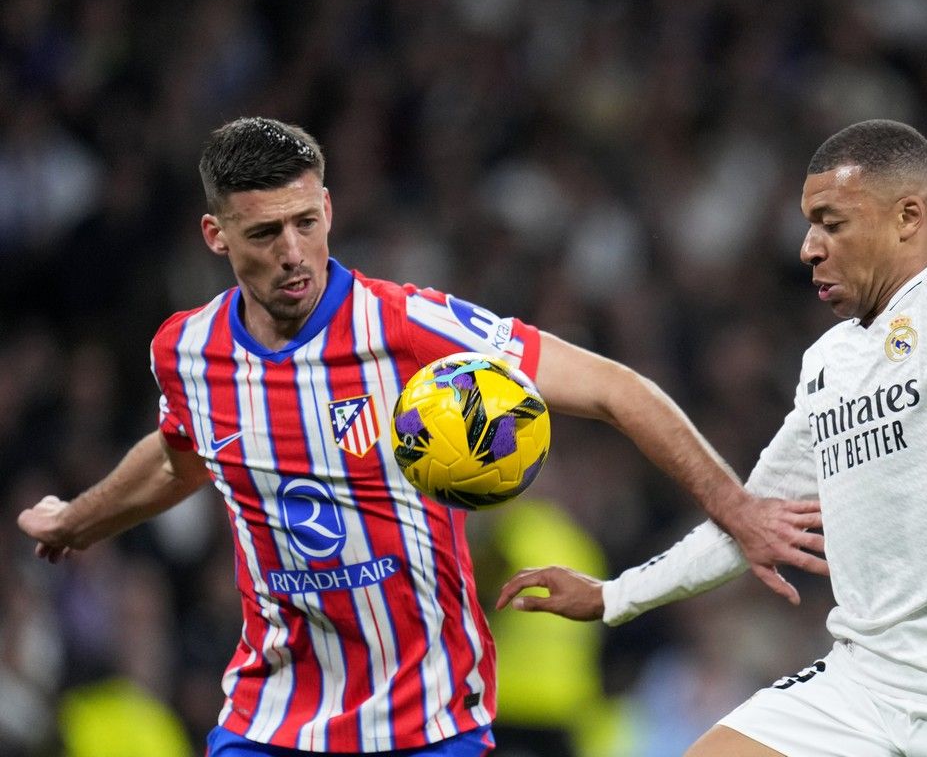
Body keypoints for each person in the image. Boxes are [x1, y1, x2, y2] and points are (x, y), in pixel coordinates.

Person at [15, 117, 828, 757]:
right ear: (215, 236)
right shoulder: (188, 351)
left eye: (306, 222)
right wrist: (78, 520)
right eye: (265, 234)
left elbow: (616, 389)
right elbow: (182, 456)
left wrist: (736, 508)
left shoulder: (407, 326)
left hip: (426, 719)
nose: (294, 254)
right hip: (272, 714)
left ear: (329, 210)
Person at [496, 87, 927, 756]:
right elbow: (751, 518)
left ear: (908, 217)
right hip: (869, 684)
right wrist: (614, 597)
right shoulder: (829, 362)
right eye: (810, 225)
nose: (808, 248)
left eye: (831, 224)